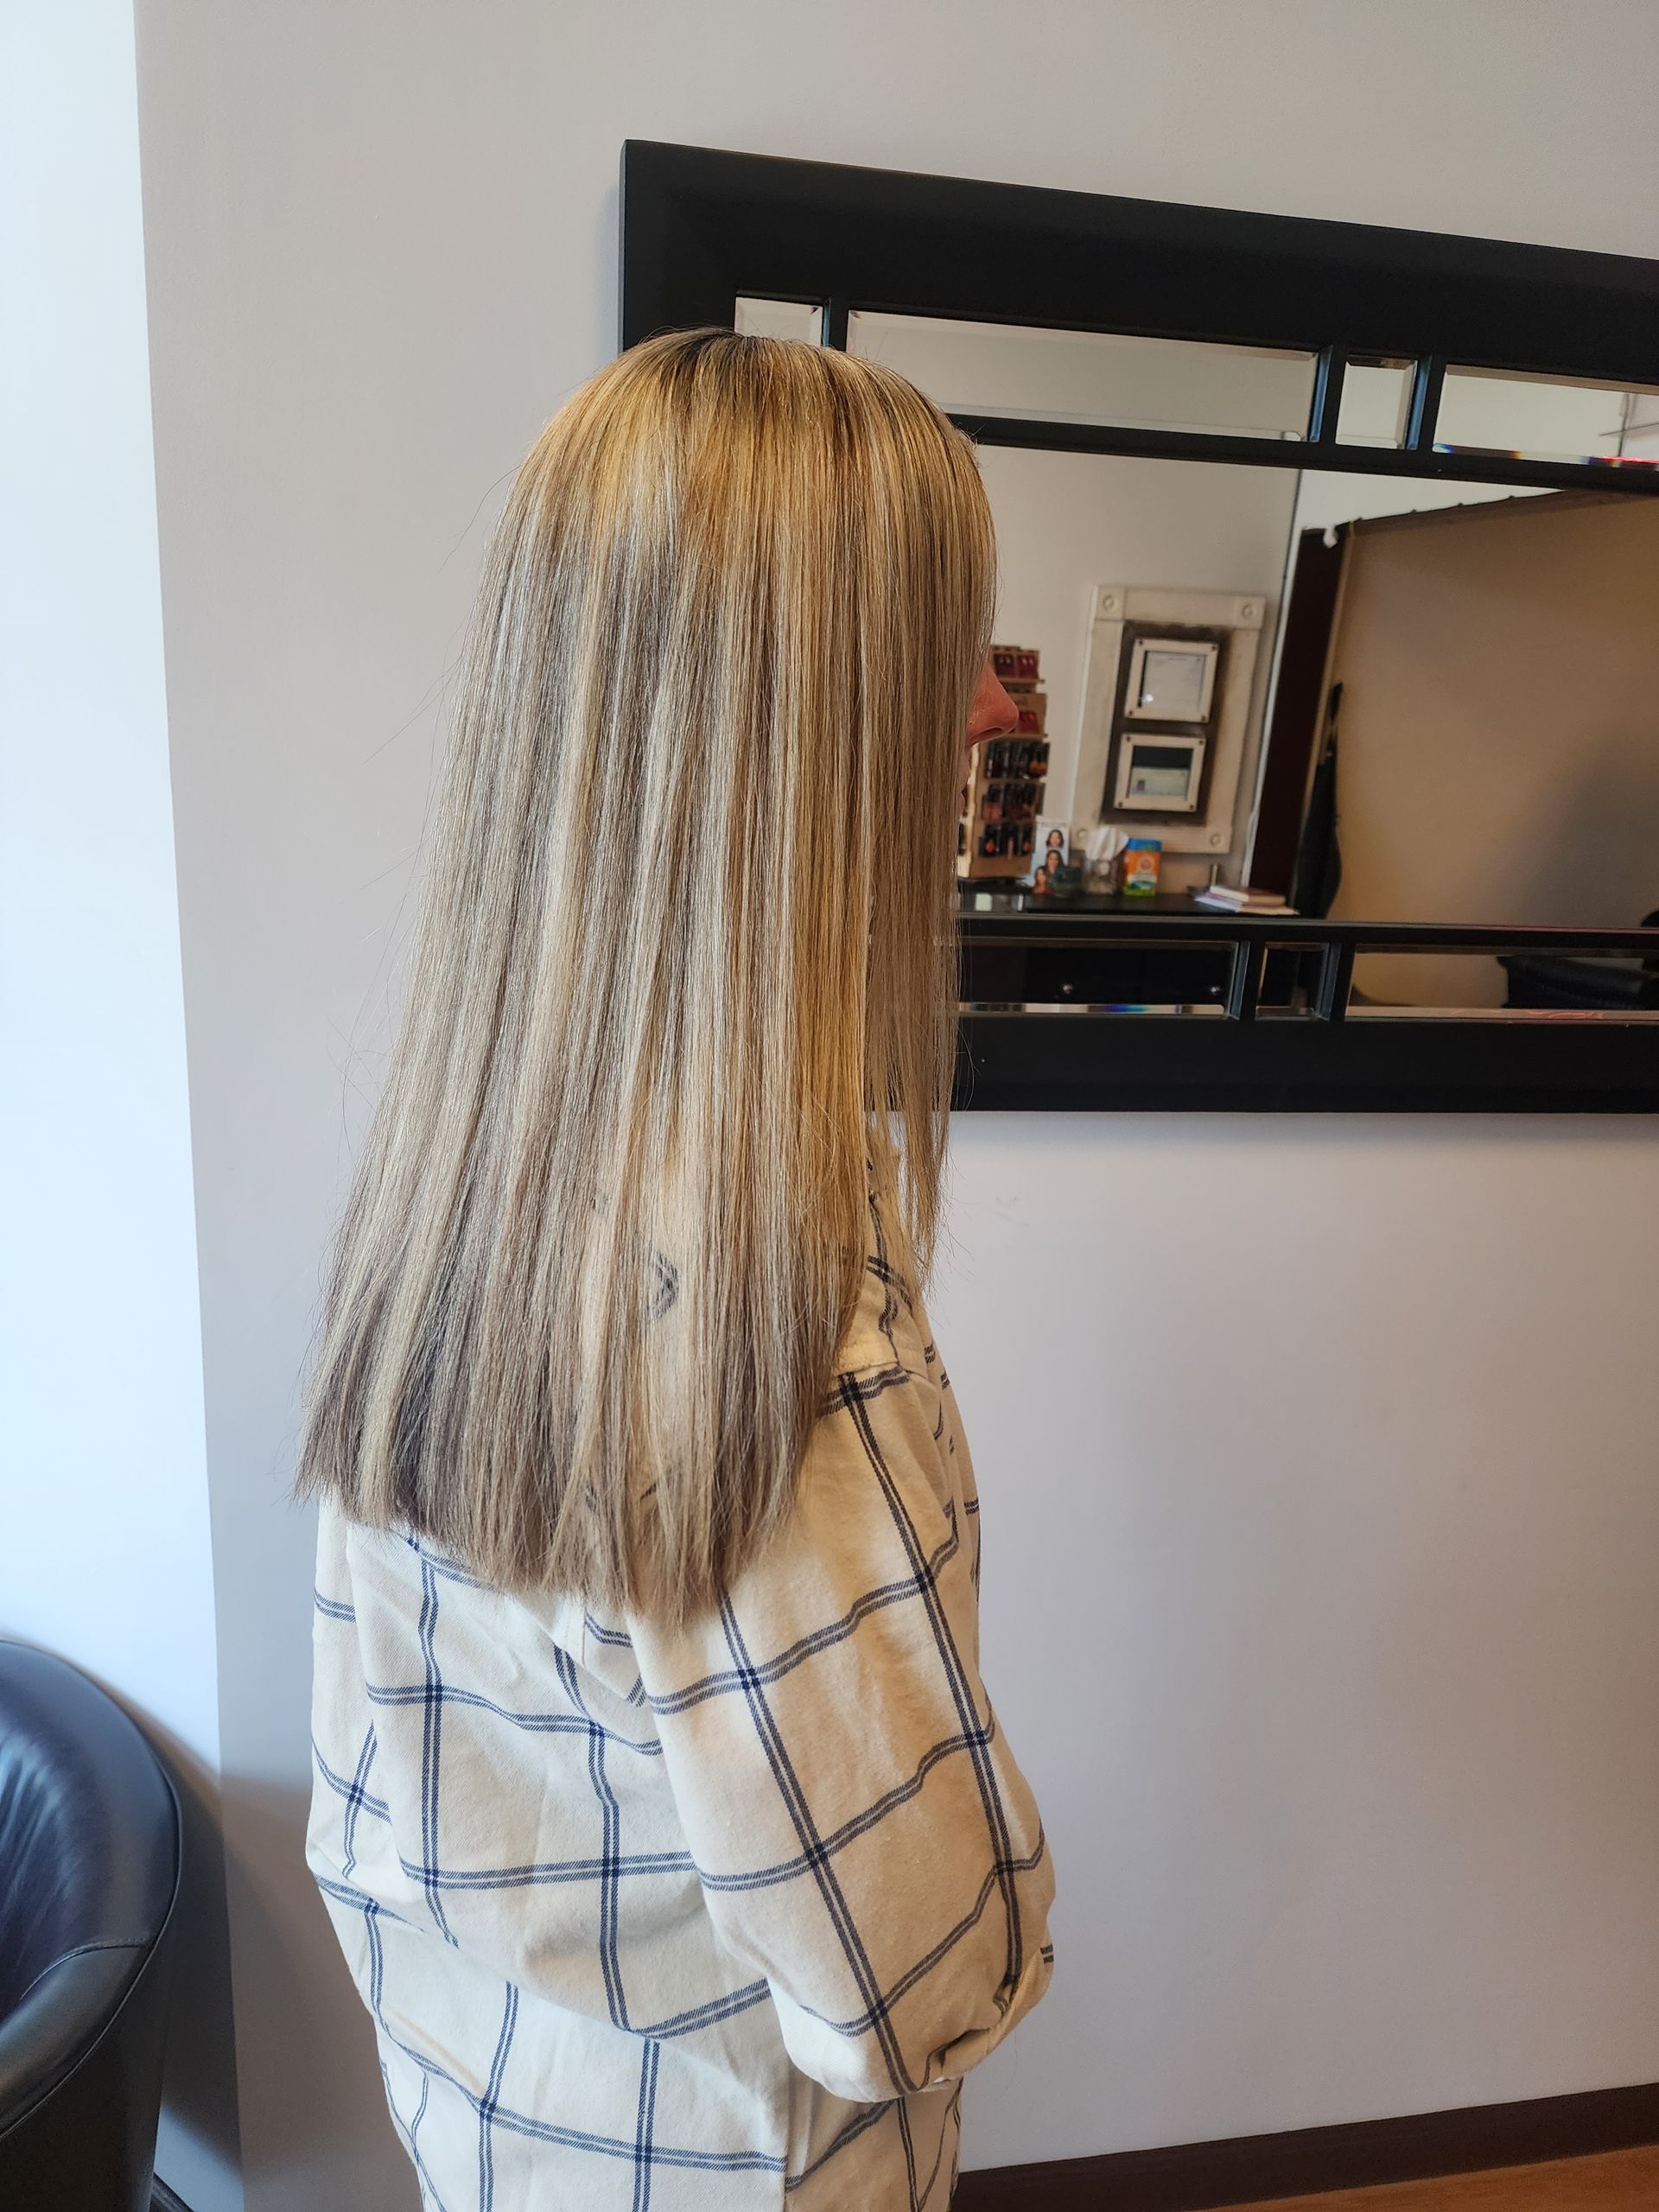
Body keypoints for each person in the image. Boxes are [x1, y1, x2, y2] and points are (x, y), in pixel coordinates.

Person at [300, 328, 1054, 2211]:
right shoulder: (769, 1319)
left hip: (492, 2111)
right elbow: (911, 1968)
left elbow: (368, 1798)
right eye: (946, 654)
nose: (988, 714)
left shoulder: (462, 1175)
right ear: (822, 727)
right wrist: (1011, 1940)